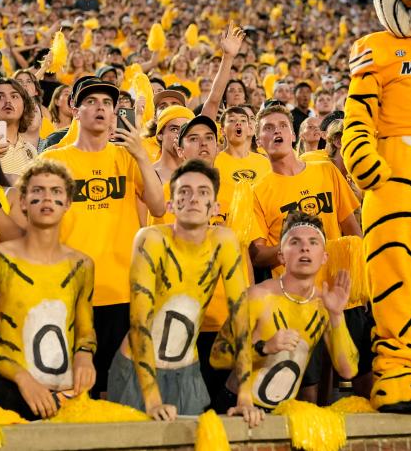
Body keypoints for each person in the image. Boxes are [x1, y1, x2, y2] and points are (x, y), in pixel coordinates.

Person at [40, 76, 165, 397]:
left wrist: (140, 154)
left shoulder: (126, 156)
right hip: (71, 291)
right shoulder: (54, 159)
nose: (101, 108)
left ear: (114, 114)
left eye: (108, 103)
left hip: (122, 289)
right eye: (91, 102)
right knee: (74, 391)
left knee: (118, 392)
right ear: (75, 110)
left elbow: (159, 206)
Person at [108, 160, 259, 425]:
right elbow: (139, 321)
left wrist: (245, 396)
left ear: (215, 208)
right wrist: (152, 399)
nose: (193, 199)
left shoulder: (224, 242)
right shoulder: (150, 238)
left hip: (187, 371)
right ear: (170, 205)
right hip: (137, 370)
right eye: (184, 192)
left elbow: (241, 318)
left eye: (203, 192)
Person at [0, 159, 97, 420]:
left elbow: (85, 330)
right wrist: (23, 379)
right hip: (9, 390)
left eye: (56, 192)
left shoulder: (82, 265)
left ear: (68, 203)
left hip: (65, 392)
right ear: (22, 202)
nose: (47, 198)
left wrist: (84, 356)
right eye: (38, 191)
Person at [211, 212, 358, 412]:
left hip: (281, 413)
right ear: (281, 255)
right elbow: (217, 357)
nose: (305, 247)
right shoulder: (257, 296)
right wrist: (264, 348)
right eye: (295, 242)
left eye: (313, 242)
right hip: (237, 406)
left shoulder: (325, 305)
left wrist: (337, 315)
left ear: (324, 257)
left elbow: (348, 369)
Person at [250, 104, 361, 277]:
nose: (277, 131)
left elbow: (352, 230)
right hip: (294, 295)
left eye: (283, 125)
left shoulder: (327, 171)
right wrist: (290, 246)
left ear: (293, 135)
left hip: (338, 287)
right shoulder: (257, 192)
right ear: (258, 141)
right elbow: (257, 255)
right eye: (269, 128)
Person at [0, 78, 38, 180]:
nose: (8, 101)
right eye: (0, 97)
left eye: (14, 96)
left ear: (24, 105)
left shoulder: (31, 150)